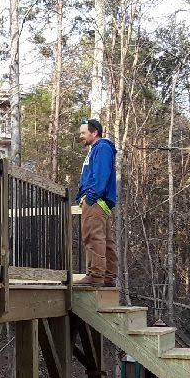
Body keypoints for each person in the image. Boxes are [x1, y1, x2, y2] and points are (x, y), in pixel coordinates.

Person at [74, 118, 117, 287]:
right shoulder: (97, 149)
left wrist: (90, 197)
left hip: (96, 201)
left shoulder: (102, 148)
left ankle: (96, 275)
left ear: (94, 132)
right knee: (105, 240)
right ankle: (108, 277)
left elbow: (101, 175)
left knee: (93, 237)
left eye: (83, 133)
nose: (81, 136)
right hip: (100, 201)